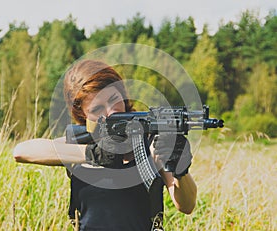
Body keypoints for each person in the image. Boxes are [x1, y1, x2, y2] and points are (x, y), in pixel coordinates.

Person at [13, 59, 197, 231]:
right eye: (97, 109)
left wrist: (180, 170)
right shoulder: (82, 141)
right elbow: (21, 151)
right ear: (83, 114)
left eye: (113, 99)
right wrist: (93, 153)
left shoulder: (151, 142)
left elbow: (187, 206)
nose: (110, 112)